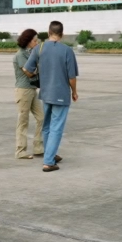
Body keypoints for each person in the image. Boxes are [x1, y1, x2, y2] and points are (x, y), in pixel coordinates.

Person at [24, 20, 79, 172]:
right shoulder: (67, 50)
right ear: (62, 34)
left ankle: (51, 154)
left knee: (47, 126)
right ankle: (48, 161)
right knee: (56, 127)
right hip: (61, 94)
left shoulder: (39, 48)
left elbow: (27, 69)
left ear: (48, 33)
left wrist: (37, 76)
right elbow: (72, 77)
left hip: (46, 93)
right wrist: (74, 91)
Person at [14, 29, 44, 159]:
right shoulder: (20, 55)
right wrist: (40, 67)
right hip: (23, 90)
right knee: (23, 120)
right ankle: (20, 150)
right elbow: (29, 72)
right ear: (27, 41)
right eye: (34, 40)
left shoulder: (31, 53)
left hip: (32, 89)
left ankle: (38, 147)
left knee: (41, 117)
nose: (36, 42)